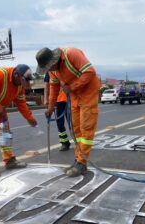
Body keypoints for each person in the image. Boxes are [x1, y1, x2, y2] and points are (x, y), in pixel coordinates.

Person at [36, 47, 100, 177]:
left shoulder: (72, 54)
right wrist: (50, 107)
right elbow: (54, 88)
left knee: (86, 128)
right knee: (76, 130)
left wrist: (71, 87)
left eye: (49, 67)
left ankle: (82, 163)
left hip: (88, 93)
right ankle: (78, 160)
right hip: (74, 96)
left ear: (54, 61)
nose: (49, 71)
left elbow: (89, 72)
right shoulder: (53, 71)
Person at [44, 72, 71, 151]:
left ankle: (79, 142)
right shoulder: (49, 71)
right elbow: (46, 85)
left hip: (69, 99)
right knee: (59, 123)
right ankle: (64, 143)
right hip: (57, 100)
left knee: (73, 123)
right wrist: (46, 100)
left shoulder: (64, 67)